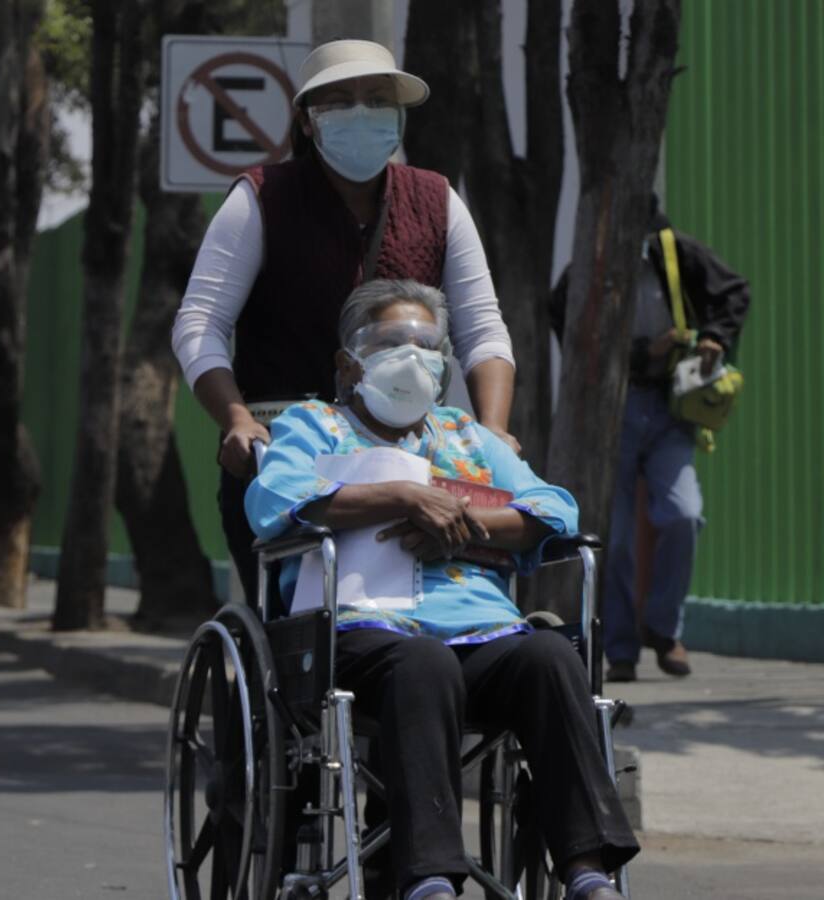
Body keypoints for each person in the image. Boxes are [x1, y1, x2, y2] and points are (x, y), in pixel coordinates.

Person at [246, 280, 638, 900]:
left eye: (428, 344)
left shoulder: (467, 438)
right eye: (391, 342)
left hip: (479, 629)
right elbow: (273, 500)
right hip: (360, 628)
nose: (413, 355)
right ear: (349, 363)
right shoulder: (315, 426)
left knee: (549, 656)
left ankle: (588, 871)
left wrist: (458, 519)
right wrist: (401, 496)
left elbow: (553, 509)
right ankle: (430, 879)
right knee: (423, 664)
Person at [172, 39, 517, 605]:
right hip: (289, 458)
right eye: (341, 100)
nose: (362, 112)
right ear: (308, 121)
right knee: (302, 634)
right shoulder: (261, 199)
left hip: (416, 455)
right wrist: (234, 418)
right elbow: (199, 325)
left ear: (399, 116)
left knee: (441, 615)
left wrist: (494, 430)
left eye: (377, 99)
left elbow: (482, 328)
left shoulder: (437, 201)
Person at [555, 196, 750, 682]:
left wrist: (715, 338)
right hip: (616, 409)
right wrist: (642, 351)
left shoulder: (677, 253)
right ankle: (620, 650)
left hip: (670, 407)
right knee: (616, 538)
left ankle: (664, 630)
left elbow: (734, 293)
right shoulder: (591, 266)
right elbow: (564, 316)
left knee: (682, 514)